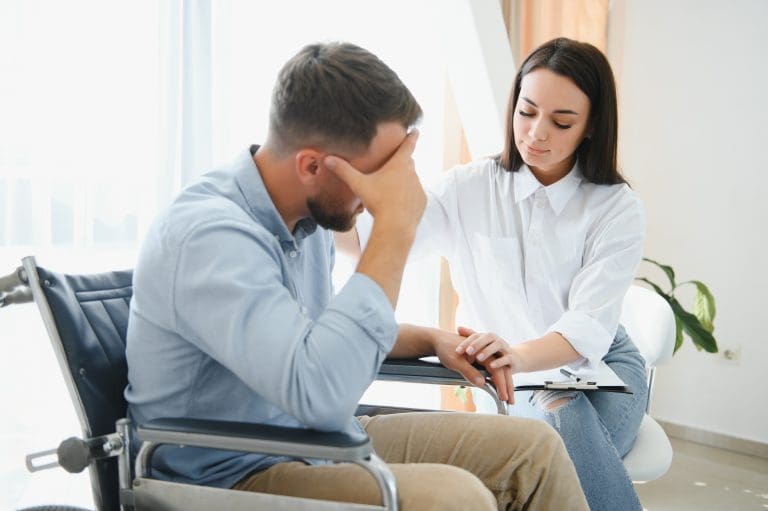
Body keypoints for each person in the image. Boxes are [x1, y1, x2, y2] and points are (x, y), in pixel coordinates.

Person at [124, 41, 588, 511]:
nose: (381, 194)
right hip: (233, 476)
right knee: (456, 499)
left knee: (534, 451)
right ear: (311, 166)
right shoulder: (210, 238)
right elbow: (321, 390)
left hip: (318, 445)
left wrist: (431, 338)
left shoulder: (310, 217)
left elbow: (327, 339)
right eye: (377, 175)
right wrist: (396, 224)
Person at [340, 37, 648, 511]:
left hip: (603, 371)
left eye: (561, 121)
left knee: (559, 412)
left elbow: (587, 327)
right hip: (509, 380)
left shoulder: (615, 208)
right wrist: (344, 188)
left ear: (591, 127)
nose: (536, 134)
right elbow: (373, 245)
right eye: (526, 113)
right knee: (555, 428)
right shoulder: (469, 187)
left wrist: (517, 356)